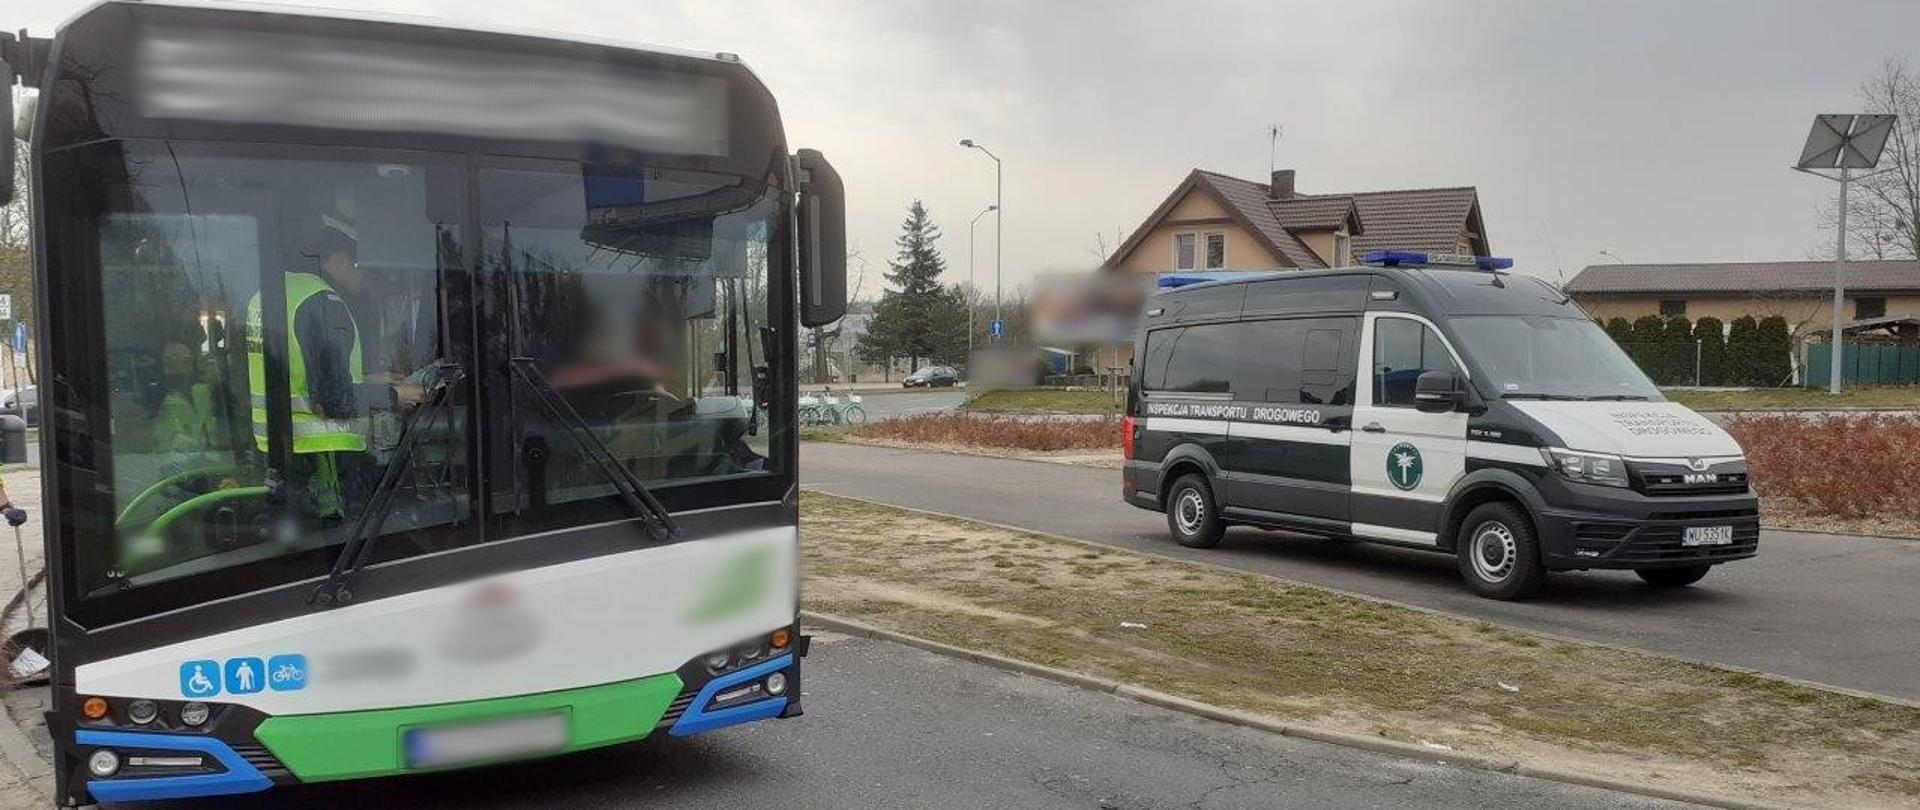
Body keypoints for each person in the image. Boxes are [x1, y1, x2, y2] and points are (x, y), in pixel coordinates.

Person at [247, 213, 421, 520]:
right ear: (339, 260)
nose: (364, 280)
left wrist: (367, 378)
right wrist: (396, 395)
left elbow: (299, 373)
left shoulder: (268, 295)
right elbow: (331, 401)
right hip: (321, 460)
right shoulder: (323, 302)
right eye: (360, 267)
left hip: (277, 453)